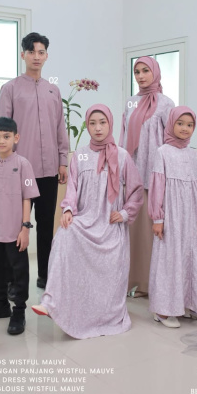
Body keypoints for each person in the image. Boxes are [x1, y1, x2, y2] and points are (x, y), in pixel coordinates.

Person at [31, 104, 144, 339]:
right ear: (87, 126)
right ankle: (51, 302)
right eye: (92, 123)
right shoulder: (80, 155)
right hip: (86, 220)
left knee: (109, 266)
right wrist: (68, 209)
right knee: (64, 235)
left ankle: (104, 316)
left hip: (110, 225)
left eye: (102, 122)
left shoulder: (122, 156)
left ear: (110, 124)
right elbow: (72, 187)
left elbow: (136, 191)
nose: (97, 128)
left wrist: (124, 213)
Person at [0, 32, 69, 293]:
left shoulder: (53, 90)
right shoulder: (10, 89)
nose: (36, 57)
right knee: (17, 225)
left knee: (47, 225)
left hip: (49, 171)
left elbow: (60, 128)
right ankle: (15, 281)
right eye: (31, 52)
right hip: (20, 171)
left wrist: (63, 161)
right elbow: (2, 129)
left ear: (46, 56)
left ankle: (46, 276)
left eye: (41, 52)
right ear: (23, 55)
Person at [148, 106, 197, 328]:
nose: (185, 128)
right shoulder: (163, 152)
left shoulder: (195, 154)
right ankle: (163, 310)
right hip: (172, 216)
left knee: (193, 256)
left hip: (192, 216)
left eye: (190, 125)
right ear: (171, 124)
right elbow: (157, 186)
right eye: (180, 123)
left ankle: (193, 305)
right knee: (171, 258)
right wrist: (158, 218)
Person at [0, 117, 40, 335]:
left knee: (18, 270)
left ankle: (19, 311)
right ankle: (0, 305)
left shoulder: (23, 165)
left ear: (16, 138)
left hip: (14, 231)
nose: (2, 141)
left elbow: (27, 197)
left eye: (6, 136)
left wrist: (25, 228)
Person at [119, 56, 175, 296]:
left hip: (156, 176)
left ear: (155, 72)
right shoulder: (130, 103)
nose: (141, 76)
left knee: (157, 232)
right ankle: (138, 282)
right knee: (136, 234)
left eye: (145, 71)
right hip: (134, 175)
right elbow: (123, 137)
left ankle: (157, 285)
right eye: (137, 72)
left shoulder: (166, 103)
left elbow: (171, 139)